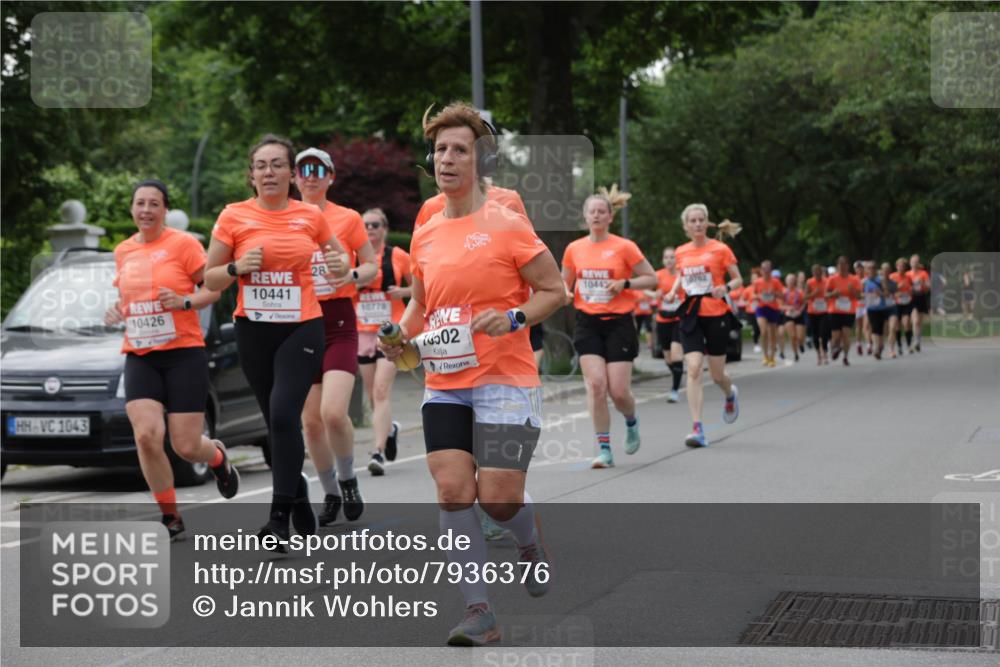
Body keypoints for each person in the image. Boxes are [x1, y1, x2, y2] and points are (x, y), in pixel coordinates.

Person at [380, 102, 565, 646]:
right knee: (454, 492)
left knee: (500, 499)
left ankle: (529, 541)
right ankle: (479, 611)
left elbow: (554, 292)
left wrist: (513, 317)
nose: (447, 159)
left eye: (460, 149)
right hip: (445, 383)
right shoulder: (426, 231)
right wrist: (399, 337)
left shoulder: (507, 223)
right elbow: (420, 304)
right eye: (440, 150)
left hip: (506, 379)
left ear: (480, 160)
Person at [205, 134, 352, 545]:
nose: (269, 172)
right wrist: (236, 267)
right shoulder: (233, 216)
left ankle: (277, 520)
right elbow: (209, 277)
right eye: (261, 166)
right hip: (253, 329)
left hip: (301, 326)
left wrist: (339, 264)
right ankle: (299, 498)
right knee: (276, 422)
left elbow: (339, 258)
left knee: (285, 412)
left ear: (291, 173)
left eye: (277, 165)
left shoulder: (310, 216)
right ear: (251, 176)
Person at [106, 180, 237, 540]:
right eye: (140, 203)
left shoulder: (183, 244)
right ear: (132, 209)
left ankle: (218, 459)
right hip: (141, 354)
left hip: (183, 353)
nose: (146, 210)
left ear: (165, 210)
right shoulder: (123, 251)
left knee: (185, 445)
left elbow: (212, 286)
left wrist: (184, 302)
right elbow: (131, 299)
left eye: (154, 204)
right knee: (147, 435)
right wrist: (117, 311)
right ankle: (170, 516)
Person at [293, 148, 378, 524]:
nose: (310, 177)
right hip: (299, 323)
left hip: (339, 322)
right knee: (310, 421)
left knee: (333, 412)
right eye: (303, 171)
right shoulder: (283, 219)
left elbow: (371, 265)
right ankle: (329, 491)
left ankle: (347, 480)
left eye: (318, 171)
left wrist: (352, 275)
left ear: (330, 177)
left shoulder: (348, 218)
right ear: (295, 178)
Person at [562, 189, 657, 468]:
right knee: (596, 385)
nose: (596, 215)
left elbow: (651, 278)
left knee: (618, 391)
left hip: (619, 322)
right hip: (587, 323)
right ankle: (604, 449)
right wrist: (564, 295)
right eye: (592, 211)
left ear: (610, 217)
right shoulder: (574, 249)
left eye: (601, 211)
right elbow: (563, 285)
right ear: (585, 216)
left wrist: (624, 284)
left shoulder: (624, 247)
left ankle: (631, 421)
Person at [663, 205, 743, 448]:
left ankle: (730, 394)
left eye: (701, 220)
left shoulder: (720, 249)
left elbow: (739, 279)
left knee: (717, 374)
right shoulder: (681, 252)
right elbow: (683, 275)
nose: (697, 224)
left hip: (716, 313)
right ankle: (697, 428)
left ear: (707, 223)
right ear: (686, 226)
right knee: (695, 368)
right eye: (692, 221)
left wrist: (726, 288)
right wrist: (673, 291)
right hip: (691, 314)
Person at [354, 207, 410, 475]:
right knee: (371, 393)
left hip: (390, 334)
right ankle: (390, 429)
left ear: (384, 229)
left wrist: (403, 291)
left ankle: (377, 452)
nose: (370, 230)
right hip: (362, 332)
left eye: (375, 225)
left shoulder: (398, 256)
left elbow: (422, 287)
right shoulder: (354, 258)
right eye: (365, 225)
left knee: (380, 391)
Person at [650, 246, 686, 403]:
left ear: (676, 260)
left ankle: (674, 390)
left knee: (677, 354)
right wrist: (654, 294)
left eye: (672, 257)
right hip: (663, 320)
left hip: (679, 319)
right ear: (663, 260)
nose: (669, 260)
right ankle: (677, 374)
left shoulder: (682, 276)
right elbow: (642, 290)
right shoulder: (658, 276)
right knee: (667, 357)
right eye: (666, 257)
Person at [825, 255, 862, 366]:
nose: (841, 267)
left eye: (843, 265)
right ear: (837, 266)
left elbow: (859, 297)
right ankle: (835, 348)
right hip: (835, 310)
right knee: (836, 335)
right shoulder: (832, 279)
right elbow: (826, 295)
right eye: (839, 265)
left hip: (849, 310)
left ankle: (845, 356)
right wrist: (833, 294)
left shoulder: (854, 279)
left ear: (847, 266)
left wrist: (852, 291)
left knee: (846, 334)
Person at [862, 262, 897, 359]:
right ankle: (876, 348)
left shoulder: (881, 280)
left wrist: (880, 293)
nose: (871, 270)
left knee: (881, 330)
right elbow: (860, 295)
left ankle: (880, 347)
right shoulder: (864, 282)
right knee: (874, 329)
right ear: (866, 270)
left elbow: (887, 294)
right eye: (869, 268)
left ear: (876, 269)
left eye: (873, 268)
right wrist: (865, 295)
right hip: (871, 308)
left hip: (882, 308)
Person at [753, 260, 784, 368]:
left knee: (772, 334)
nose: (766, 271)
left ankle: (772, 357)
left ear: (771, 270)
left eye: (768, 269)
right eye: (764, 269)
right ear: (761, 270)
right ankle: (765, 356)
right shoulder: (757, 282)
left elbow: (782, 296)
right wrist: (759, 296)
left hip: (773, 309)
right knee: (763, 331)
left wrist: (774, 293)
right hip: (761, 308)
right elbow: (753, 294)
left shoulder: (776, 282)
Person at [804, 264, 829, 365]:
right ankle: (818, 354)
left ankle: (825, 353)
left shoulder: (826, 281)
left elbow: (830, 293)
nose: (817, 274)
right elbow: (805, 297)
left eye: (818, 272)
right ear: (813, 273)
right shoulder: (809, 282)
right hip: (813, 311)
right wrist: (814, 294)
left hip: (824, 311)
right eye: (815, 273)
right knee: (815, 334)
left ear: (821, 272)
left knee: (824, 333)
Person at [890, 257, 914, 354]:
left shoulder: (908, 277)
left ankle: (909, 345)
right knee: (897, 326)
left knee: (907, 323)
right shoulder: (892, 277)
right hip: (896, 303)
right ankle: (899, 345)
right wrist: (897, 290)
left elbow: (912, 288)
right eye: (900, 266)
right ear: (896, 267)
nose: (901, 268)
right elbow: (889, 291)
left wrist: (909, 292)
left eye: (903, 266)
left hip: (907, 302)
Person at [908, 254, 930, 351]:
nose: (914, 264)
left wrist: (923, 283)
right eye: (913, 262)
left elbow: (929, 287)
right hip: (911, 298)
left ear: (918, 263)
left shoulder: (923, 273)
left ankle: (918, 340)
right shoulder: (907, 274)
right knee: (915, 320)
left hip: (921, 297)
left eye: (916, 262)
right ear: (910, 263)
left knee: (919, 322)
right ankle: (915, 341)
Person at [782, 273, 806, 363]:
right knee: (792, 336)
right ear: (786, 282)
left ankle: (801, 344)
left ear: (795, 281)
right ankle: (795, 353)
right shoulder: (783, 292)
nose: (790, 282)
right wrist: (788, 308)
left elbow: (804, 303)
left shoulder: (799, 292)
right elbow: (780, 305)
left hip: (798, 315)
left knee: (800, 336)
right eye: (789, 281)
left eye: (792, 281)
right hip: (788, 315)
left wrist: (800, 310)